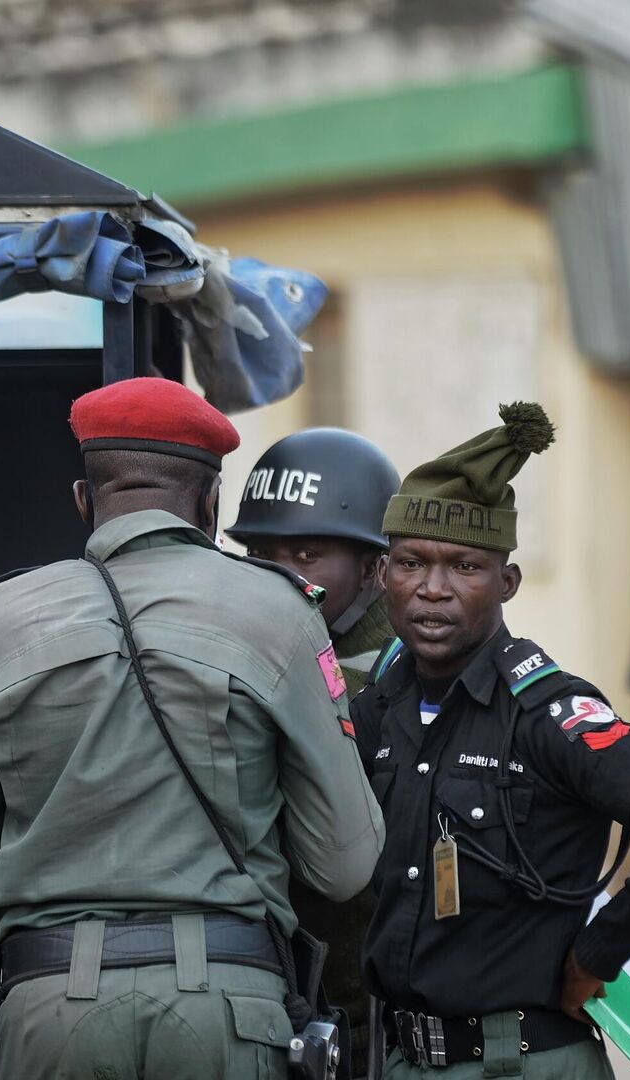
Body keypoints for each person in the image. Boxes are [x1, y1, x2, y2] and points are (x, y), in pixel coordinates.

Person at [0, 377, 384, 1080]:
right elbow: (343, 866)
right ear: (210, 501)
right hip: (229, 1007)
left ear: (84, 499)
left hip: (49, 1011)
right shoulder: (282, 613)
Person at [351, 402, 630, 1079]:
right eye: (412, 562)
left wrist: (600, 954)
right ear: (385, 577)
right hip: (407, 1060)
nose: (434, 590)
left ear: (507, 583)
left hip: (522, 1062)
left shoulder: (545, 712)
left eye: (465, 568)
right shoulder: (381, 708)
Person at [227, 427, 402, 1076]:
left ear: (373, 566)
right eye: (261, 553)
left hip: (381, 1015)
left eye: (306, 554)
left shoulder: (413, 670)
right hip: (287, 1000)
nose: (279, 576)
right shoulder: (245, 651)